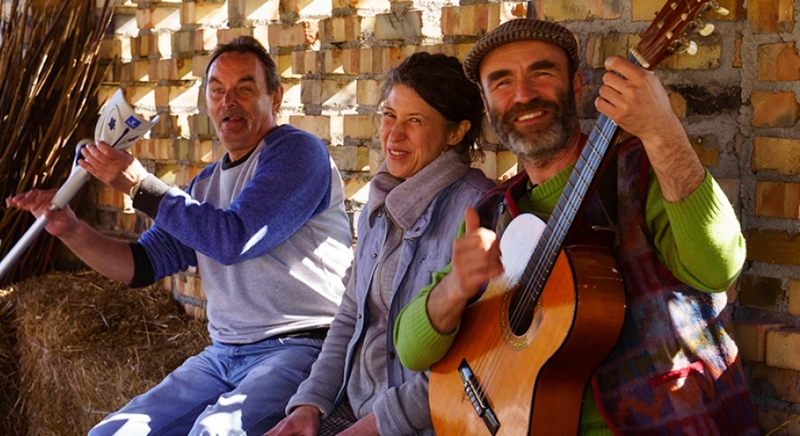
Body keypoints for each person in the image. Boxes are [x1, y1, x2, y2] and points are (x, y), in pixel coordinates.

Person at [393, 19, 760, 435]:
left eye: (542, 73)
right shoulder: (493, 211)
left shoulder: (642, 171)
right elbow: (411, 349)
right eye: (501, 82)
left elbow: (719, 268)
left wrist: (662, 131)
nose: (523, 94)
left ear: (578, 86)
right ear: (486, 103)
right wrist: (456, 287)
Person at [7, 36, 353, 435]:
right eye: (218, 90)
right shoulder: (204, 185)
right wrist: (70, 229)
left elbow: (234, 240)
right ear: (207, 102)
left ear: (275, 98)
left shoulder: (297, 153)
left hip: (300, 348)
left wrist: (140, 185)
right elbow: (140, 266)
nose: (229, 101)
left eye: (245, 88)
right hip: (223, 355)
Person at [264, 52, 495, 436]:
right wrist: (310, 403)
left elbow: (473, 360)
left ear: (456, 133)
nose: (394, 134)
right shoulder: (381, 199)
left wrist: (376, 426)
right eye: (389, 116)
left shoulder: (477, 210)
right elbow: (351, 314)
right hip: (353, 406)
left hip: (423, 423)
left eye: (415, 121)